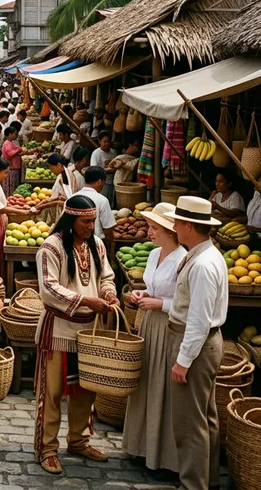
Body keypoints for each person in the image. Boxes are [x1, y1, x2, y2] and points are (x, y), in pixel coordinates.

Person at [34, 194, 119, 475]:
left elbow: (106, 276)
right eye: (85, 221)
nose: (90, 226)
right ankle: (47, 448)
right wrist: (86, 301)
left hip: (89, 332)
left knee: (86, 390)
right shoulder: (51, 247)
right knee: (53, 393)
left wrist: (107, 293)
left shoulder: (97, 245)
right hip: (59, 329)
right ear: (71, 220)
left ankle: (79, 440)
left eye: (93, 221)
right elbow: (48, 288)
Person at [163, 197, 228, 490]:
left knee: (190, 424)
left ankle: (193, 484)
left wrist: (183, 360)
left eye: (177, 222)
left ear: (189, 226)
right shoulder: (204, 254)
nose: (174, 227)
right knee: (205, 418)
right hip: (205, 342)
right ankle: (208, 480)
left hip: (196, 343)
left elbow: (199, 320)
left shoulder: (202, 264)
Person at [122, 202, 186, 474]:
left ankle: (165, 457)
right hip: (149, 324)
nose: (149, 232)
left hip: (171, 327)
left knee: (164, 387)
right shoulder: (153, 255)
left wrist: (160, 304)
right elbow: (152, 287)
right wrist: (143, 294)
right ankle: (141, 447)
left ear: (171, 232)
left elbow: (187, 304)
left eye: (154, 228)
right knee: (147, 383)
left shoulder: (183, 260)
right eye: (149, 227)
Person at [70, 166, 116, 241]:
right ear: (99, 182)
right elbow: (108, 229)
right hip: (95, 243)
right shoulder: (102, 200)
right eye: (103, 183)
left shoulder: (72, 198)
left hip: (74, 242)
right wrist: (110, 245)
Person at [34, 153, 75, 229]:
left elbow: (67, 200)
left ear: (59, 165)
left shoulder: (63, 178)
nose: (51, 171)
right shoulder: (67, 174)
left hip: (63, 211)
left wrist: (43, 205)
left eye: (52, 168)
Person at [90, 132, 118, 207]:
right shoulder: (96, 153)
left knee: (110, 203)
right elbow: (94, 168)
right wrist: (107, 170)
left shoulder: (113, 152)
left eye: (108, 142)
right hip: (101, 183)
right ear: (99, 141)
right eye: (104, 142)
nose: (107, 144)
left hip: (111, 182)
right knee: (101, 203)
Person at [1, 126, 28, 197]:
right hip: (11, 169)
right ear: (9, 134)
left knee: (13, 186)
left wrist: (24, 151)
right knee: (10, 187)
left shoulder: (11, 143)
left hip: (14, 168)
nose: (17, 135)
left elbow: (17, 153)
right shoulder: (7, 143)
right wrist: (20, 149)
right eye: (15, 134)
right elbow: (10, 153)